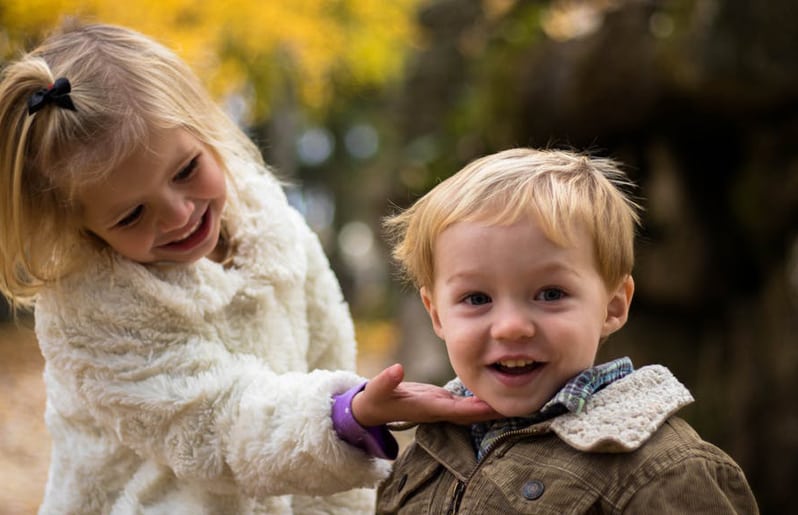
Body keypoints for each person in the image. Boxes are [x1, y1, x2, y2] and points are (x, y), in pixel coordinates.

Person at [0, 22, 497, 515]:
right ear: (82, 226)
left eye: (186, 170)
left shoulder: (269, 225)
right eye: (131, 214)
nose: (178, 214)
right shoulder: (93, 309)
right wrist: (346, 415)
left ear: (205, 128)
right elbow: (213, 428)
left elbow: (325, 348)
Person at [377, 148, 759, 513]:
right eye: (477, 299)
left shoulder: (663, 469)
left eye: (550, 294)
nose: (511, 327)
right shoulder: (428, 447)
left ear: (613, 306)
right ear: (438, 315)